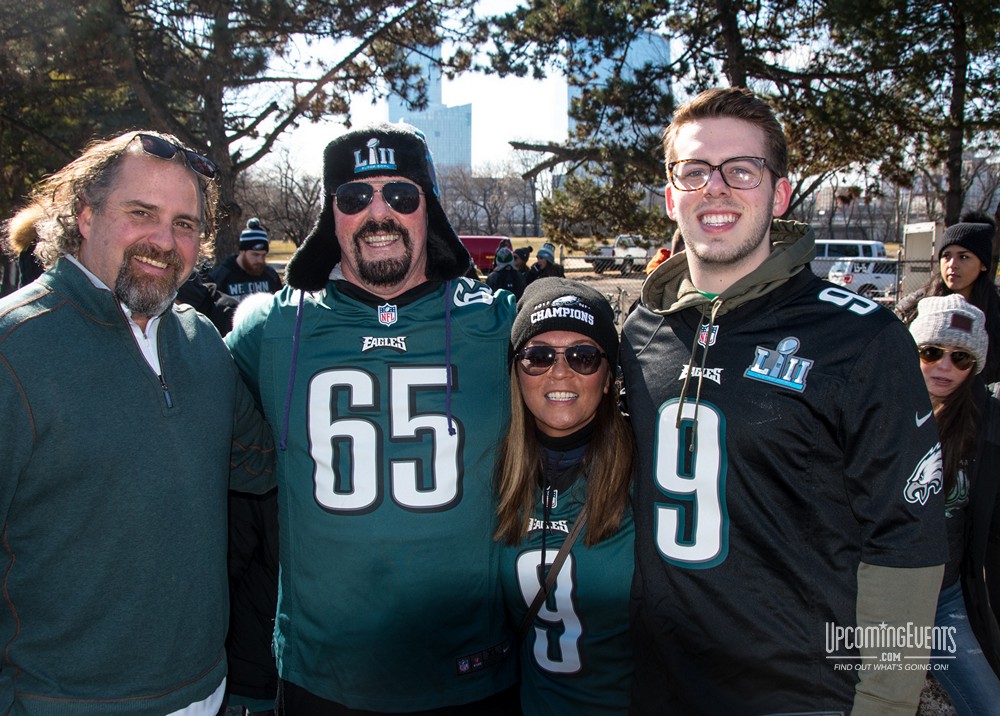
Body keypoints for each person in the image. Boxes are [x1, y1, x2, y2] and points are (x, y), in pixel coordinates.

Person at [620, 87, 947, 715]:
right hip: (661, 687)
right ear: (670, 196)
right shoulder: (644, 331)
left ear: (780, 192)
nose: (715, 187)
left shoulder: (860, 338)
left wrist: (884, 701)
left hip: (800, 693)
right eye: (694, 170)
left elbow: (906, 541)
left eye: (741, 169)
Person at [225, 121, 518, 714]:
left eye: (401, 195)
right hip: (323, 676)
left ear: (427, 211)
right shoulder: (275, 329)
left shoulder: (498, 326)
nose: (378, 213)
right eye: (355, 197)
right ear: (331, 216)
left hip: (470, 673)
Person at [0, 130, 275, 714]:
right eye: (140, 213)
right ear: (84, 214)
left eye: (184, 223)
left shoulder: (201, 342)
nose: (163, 239)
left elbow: (267, 465)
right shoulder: (12, 349)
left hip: (205, 690)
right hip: (60, 701)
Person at [496, 277, 635, 715]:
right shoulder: (491, 473)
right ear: (516, 373)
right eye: (537, 356)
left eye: (583, 356)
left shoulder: (648, 479)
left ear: (610, 378)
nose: (560, 372)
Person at [907, 295, 1000, 714]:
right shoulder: (875, 410)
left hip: (945, 598)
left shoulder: (986, 426)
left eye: (960, 358)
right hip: (872, 597)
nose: (944, 366)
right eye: (930, 352)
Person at [897, 211, 1000, 385]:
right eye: (946, 256)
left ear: (983, 264)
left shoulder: (995, 312)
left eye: (964, 257)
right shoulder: (915, 307)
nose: (952, 265)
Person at [209, 217, 283, 300]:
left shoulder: (271, 276)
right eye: (255, 255)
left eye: (263, 255)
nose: (260, 260)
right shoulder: (221, 277)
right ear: (242, 251)